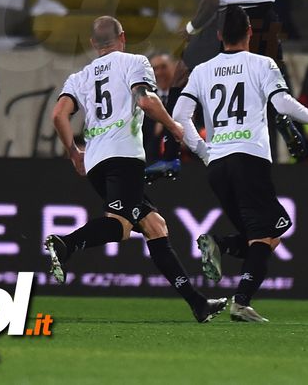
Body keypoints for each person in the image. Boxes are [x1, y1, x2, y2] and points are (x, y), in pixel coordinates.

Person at [45, 16, 228, 324]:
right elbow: (144, 100)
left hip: (96, 161)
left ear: (93, 44)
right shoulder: (134, 62)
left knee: (155, 226)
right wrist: (173, 126)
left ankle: (198, 304)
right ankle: (67, 244)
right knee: (120, 226)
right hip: (124, 157)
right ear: (123, 37)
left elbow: (59, 114)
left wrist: (74, 152)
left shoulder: (79, 77)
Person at [174, 6, 308, 322]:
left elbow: (179, 116)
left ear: (219, 35)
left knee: (259, 238)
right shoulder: (263, 64)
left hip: (217, 166)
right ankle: (231, 278)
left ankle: (235, 282)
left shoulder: (202, 70)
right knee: (276, 228)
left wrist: (204, 151)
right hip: (249, 159)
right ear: (249, 32)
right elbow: (280, 102)